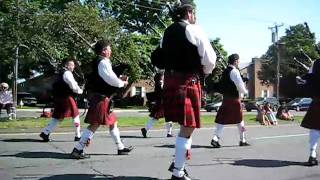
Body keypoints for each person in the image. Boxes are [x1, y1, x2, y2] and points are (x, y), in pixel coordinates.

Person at [152, 4, 216, 179]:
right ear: (188, 13)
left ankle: (178, 162)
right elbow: (210, 59)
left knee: (186, 126)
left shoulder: (167, 32)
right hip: (188, 80)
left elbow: (159, 56)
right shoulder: (194, 29)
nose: (195, 16)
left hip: (171, 80)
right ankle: (178, 171)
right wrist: (206, 72)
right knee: (188, 126)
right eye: (194, 12)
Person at [70, 40, 133, 159]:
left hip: (103, 98)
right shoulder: (102, 62)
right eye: (109, 48)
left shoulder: (102, 62)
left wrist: (119, 78)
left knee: (113, 122)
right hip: (101, 98)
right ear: (104, 51)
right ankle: (78, 149)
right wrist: (122, 83)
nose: (111, 51)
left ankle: (120, 147)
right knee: (95, 124)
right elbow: (110, 79)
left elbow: (108, 77)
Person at [210, 54, 250, 148]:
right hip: (234, 99)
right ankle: (242, 140)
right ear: (235, 61)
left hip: (226, 99)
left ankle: (215, 139)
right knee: (240, 120)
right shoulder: (235, 71)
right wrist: (245, 92)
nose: (239, 62)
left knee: (221, 120)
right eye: (238, 61)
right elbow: (240, 85)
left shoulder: (225, 71)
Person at [40, 58, 83, 142]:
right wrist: (80, 91)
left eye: (73, 65)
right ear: (66, 65)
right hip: (67, 97)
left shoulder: (60, 73)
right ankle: (78, 135)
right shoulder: (67, 73)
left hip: (59, 98)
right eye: (71, 65)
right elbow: (73, 85)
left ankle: (45, 133)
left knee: (57, 117)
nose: (73, 67)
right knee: (75, 115)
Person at [141, 71, 174, 138]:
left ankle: (169, 133)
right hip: (162, 102)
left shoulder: (160, 83)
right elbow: (163, 91)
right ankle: (145, 129)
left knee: (168, 117)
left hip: (164, 102)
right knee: (155, 117)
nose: (164, 76)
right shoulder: (160, 83)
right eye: (163, 75)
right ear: (161, 76)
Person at [300, 59, 320, 166]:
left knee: (315, 129)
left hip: (317, 99)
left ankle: (312, 155)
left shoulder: (316, 63)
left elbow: (308, 80)